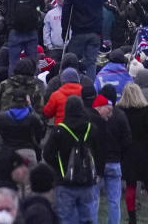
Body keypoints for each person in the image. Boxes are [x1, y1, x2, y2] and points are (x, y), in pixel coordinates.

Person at [42, 96, 100, 224]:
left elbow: (47, 154)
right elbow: (99, 151)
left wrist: (60, 167)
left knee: (65, 218)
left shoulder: (59, 130)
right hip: (87, 180)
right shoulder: (92, 129)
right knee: (88, 218)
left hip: (65, 182)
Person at [118, 83, 148, 224]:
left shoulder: (120, 111)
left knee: (130, 186)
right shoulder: (144, 110)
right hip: (145, 151)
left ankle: (132, 218)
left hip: (128, 152)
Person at [62, 0, 109, 78]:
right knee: (91, 63)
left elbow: (65, 15)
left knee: (72, 62)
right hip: (94, 34)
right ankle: (90, 88)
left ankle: (71, 84)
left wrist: (65, 33)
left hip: (78, 33)